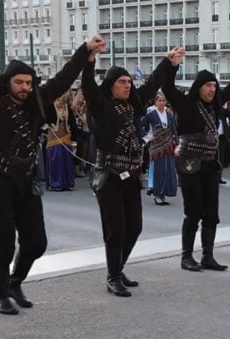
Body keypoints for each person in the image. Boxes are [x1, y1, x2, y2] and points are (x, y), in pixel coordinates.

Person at [0, 29, 104, 314]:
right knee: (1, 243)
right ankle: (0, 294)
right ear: (7, 82)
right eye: (19, 82)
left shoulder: (38, 100)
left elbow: (63, 78)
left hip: (27, 178)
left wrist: (85, 50)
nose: (25, 86)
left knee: (36, 242)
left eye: (28, 82)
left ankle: (15, 281)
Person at [83, 45, 175, 296]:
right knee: (116, 228)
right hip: (109, 174)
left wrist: (168, 61)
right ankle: (113, 276)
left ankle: (119, 267)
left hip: (132, 175)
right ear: (111, 84)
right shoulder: (101, 105)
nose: (127, 85)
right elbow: (88, 86)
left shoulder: (134, 103)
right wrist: (89, 59)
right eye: (122, 82)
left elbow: (154, 81)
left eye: (128, 82)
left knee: (134, 227)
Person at [162, 49, 230, 271]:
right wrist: (172, 65)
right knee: (193, 212)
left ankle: (208, 255)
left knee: (211, 213)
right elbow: (167, 87)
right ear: (198, 87)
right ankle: (186, 256)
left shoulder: (214, 105)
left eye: (214, 86)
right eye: (208, 86)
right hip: (189, 163)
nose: (212, 90)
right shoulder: (185, 103)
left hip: (211, 164)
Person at [140, 92, 177, 205]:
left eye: (163, 100)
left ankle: (164, 193)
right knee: (158, 170)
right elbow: (140, 124)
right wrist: (147, 136)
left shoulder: (169, 115)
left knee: (168, 169)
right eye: (159, 100)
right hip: (157, 146)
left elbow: (174, 130)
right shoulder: (151, 114)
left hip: (168, 146)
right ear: (156, 102)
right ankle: (157, 194)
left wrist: (177, 141)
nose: (162, 103)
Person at [44, 92, 76, 191]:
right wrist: (46, 127)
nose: (62, 102)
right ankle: (55, 183)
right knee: (56, 159)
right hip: (54, 137)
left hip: (66, 137)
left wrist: (75, 139)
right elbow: (43, 119)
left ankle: (67, 183)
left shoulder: (67, 109)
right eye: (60, 99)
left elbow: (72, 123)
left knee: (67, 160)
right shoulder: (50, 107)